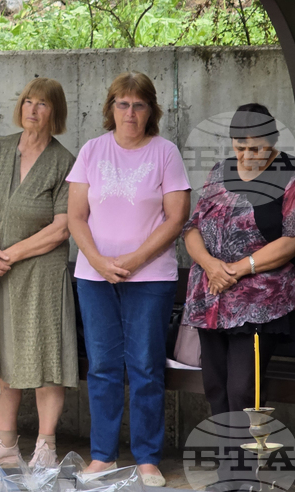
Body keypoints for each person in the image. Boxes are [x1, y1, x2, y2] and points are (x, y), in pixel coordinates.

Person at [66, 71, 190, 488]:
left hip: (150, 278)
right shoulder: (91, 150)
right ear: (111, 108)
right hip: (94, 276)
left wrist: (133, 260)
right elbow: (75, 216)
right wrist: (99, 261)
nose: (130, 112)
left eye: (139, 104)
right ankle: (102, 455)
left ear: (151, 110)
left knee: (145, 366)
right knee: (102, 366)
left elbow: (177, 217)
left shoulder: (165, 153)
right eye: (123, 103)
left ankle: (148, 458)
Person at [0, 78, 78, 470]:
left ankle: (45, 447)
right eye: (28, 102)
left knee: (47, 357)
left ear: (55, 112)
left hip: (40, 274)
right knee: (1, 357)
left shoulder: (65, 161)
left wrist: (9, 253)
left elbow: (63, 227)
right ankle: (7, 443)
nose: (32, 110)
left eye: (42, 104)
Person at [183, 104, 295, 412]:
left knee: (242, 389)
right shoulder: (219, 171)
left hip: (259, 304)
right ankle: (228, 459)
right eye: (240, 147)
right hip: (211, 296)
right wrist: (211, 265)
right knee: (214, 386)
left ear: (273, 141)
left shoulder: (289, 175)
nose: (247, 155)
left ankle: (247, 460)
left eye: (256, 147)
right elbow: (192, 226)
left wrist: (238, 269)